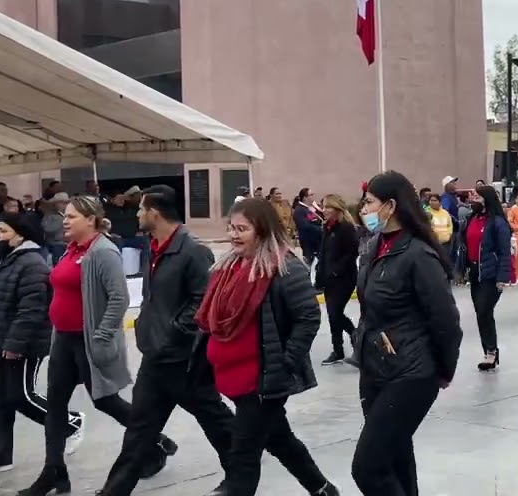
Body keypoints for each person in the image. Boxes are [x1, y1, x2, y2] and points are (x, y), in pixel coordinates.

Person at [20, 197, 178, 495]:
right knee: (54, 406)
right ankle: (54, 471)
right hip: (63, 339)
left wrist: (102, 335)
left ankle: (155, 440)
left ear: (90, 219)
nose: (64, 221)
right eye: (64, 216)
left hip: (88, 341)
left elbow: (119, 298)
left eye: (71, 216)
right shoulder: (71, 249)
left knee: (105, 401)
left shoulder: (103, 252)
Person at [195, 197, 337, 496]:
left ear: (262, 230)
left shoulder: (284, 267)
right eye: (231, 227)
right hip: (232, 376)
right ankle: (323, 489)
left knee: (242, 457)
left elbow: (308, 316)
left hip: (262, 381)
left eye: (242, 229)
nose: (234, 234)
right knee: (279, 440)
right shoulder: (229, 268)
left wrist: (287, 361)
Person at [98, 185, 234, 496]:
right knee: (139, 431)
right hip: (156, 357)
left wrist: (172, 331)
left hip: (185, 359)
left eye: (140, 209)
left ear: (154, 213)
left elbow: (204, 301)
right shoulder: (155, 246)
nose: (136, 214)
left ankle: (241, 470)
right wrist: (152, 331)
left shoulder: (193, 251)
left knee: (215, 420)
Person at [352, 171, 462, 496]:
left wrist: (444, 370)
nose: (364, 208)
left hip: (412, 374)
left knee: (368, 468)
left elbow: (446, 321)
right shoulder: (374, 248)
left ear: (390, 205)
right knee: (396, 460)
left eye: (370, 202)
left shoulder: (417, 255)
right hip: (376, 369)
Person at [0, 213, 86, 480]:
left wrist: (15, 344)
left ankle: (71, 422)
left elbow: (31, 310)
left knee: (20, 396)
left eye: (2, 231)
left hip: (22, 344)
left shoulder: (31, 264)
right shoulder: (4, 261)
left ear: (20, 233)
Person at [465, 185, 512, 370]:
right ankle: (488, 351)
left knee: (484, 310)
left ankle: (491, 353)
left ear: (486, 199)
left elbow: (504, 252)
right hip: (475, 272)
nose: (472, 200)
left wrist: (503, 277)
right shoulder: (472, 219)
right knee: (480, 313)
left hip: (491, 275)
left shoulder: (497, 222)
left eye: (477, 197)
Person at [318, 194, 359, 365]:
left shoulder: (346, 228)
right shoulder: (327, 228)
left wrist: (336, 271)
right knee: (332, 315)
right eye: (324, 207)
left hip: (344, 279)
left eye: (328, 207)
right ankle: (338, 350)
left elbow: (352, 252)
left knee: (335, 313)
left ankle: (355, 335)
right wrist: (320, 277)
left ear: (337, 209)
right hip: (328, 279)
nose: (324, 210)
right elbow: (324, 254)